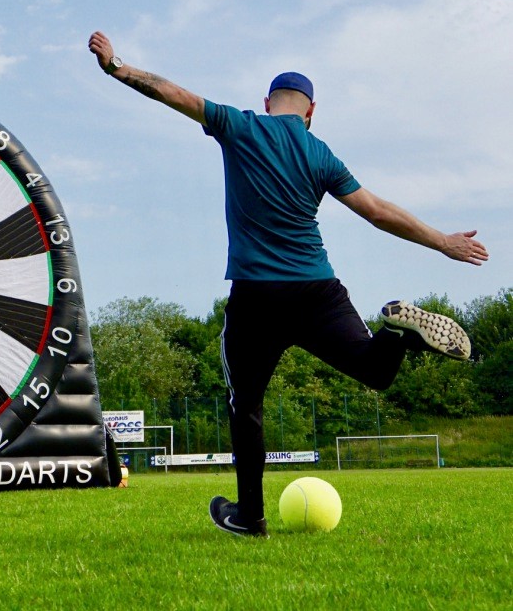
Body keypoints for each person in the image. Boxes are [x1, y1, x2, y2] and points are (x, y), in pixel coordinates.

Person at [88, 31, 489, 537]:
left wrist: (118, 67)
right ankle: (396, 332)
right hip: (317, 290)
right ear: (311, 111)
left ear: (267, 103)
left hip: (257, 296)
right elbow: (378, 212)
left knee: (246, 406)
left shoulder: (241, 125)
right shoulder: (321, 154)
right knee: (376, 370)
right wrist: (444, 243)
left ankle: (250, 517)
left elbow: (173, 94)